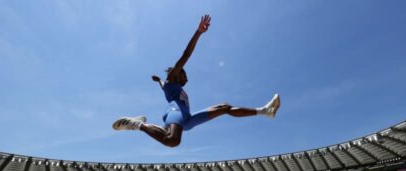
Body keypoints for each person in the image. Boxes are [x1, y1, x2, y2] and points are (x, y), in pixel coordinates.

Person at [112, 15, 281, 147]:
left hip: (188, 118)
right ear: (178, 73)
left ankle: (264, 111)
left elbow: (162, 85)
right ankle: (137, 124)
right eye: (184, 75)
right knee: (172, 141)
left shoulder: (169, 84)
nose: (187, 78)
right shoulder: (172, 80)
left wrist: (158, 81)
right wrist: (198, 32)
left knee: (225, 107)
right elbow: (186, 55)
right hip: (175, 112)